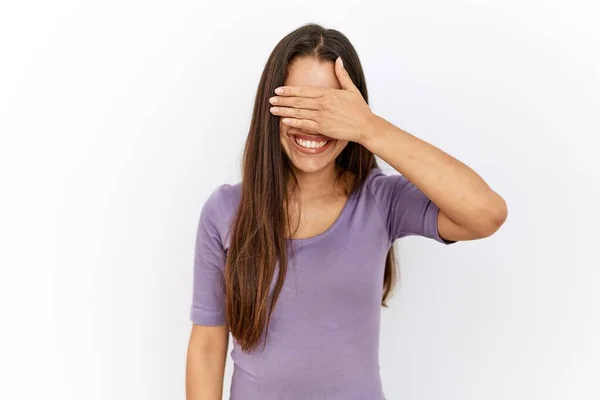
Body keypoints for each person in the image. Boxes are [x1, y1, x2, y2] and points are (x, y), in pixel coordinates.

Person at [185, 23, 507, 400]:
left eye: (330, 110)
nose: (314, 124)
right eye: (300, 105)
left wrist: (370, 128)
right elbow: (207, 346)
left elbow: (486, 213)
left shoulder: (380, 201)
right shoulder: (224, 210)